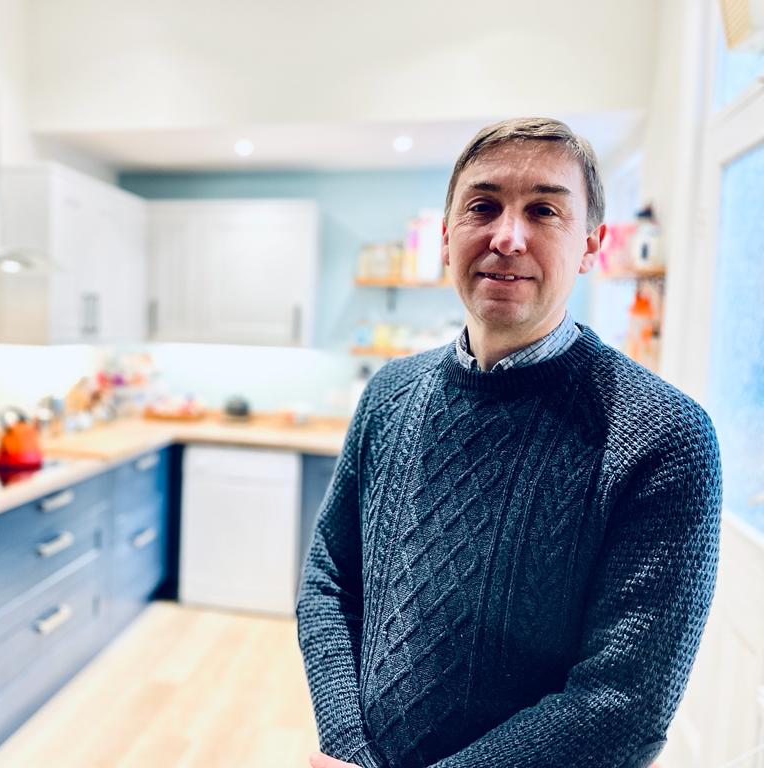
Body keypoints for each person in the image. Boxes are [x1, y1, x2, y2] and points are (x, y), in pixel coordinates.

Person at [296, 117, 722, 768]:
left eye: (544, 210)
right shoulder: (388, 395)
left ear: (590, 246)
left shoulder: (665, 437)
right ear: (446, 238)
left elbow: (622, 707)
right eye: (483, 206)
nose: (507, 237)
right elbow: (328, 579)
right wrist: (350, 749)